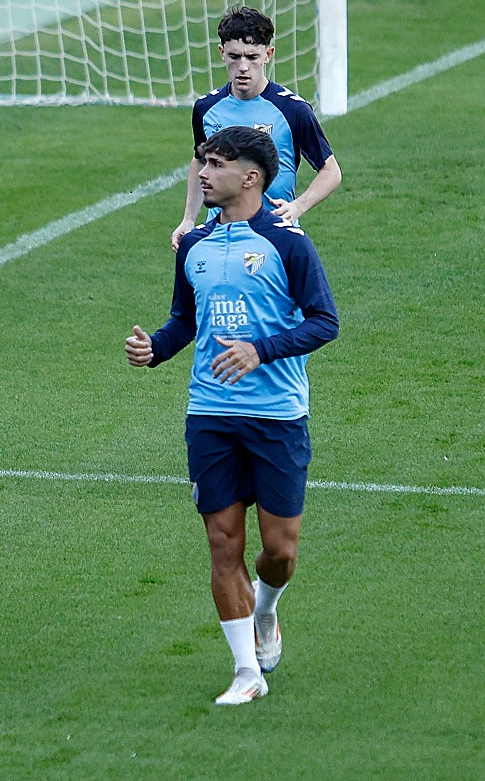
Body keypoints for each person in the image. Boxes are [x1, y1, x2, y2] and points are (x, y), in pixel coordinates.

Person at [127, 126, 339, 705]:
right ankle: (247, 673)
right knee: (224, 543)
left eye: (215, 165)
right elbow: (183, 320)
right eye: (203, 162)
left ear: (251, 176)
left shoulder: (289, 243)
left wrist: (260, 350)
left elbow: (325, 321)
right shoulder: (194, 245)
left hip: (276, 415)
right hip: (211, 415)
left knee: (280, 549)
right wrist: (157, 349)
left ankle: (266, 610)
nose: (202, 174)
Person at [171, 6, 342, 251]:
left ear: (268, 54)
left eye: (252, 57)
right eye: (234, 56)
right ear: (221, 53)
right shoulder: (205, 108)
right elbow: (200, 161)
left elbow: (330, 171)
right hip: (220, 238)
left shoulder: (293, 110)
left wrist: (298, 207)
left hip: (274, 237)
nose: (243, 67)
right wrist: (188, 219)